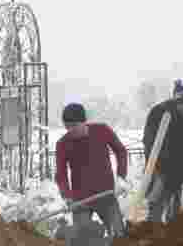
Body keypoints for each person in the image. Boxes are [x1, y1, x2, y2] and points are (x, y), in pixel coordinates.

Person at [54, 101, 129, 238]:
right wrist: (67, 196)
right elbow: (61, 175)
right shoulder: (63, 144)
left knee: (119, 235)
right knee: (83, 239)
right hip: (81, 200)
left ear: (84, 122)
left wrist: (121, 178)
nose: (71, 130)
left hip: (106, 195)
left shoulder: (102, 131)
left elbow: (121, 151)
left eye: (74, 126)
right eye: (67, 127)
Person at [141, 79, 183, 223]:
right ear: (176, 100)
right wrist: (155, 167)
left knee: (174, 209)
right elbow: (149, 141)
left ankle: (172, 230)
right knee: (156, 205)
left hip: (178, 170)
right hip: (159, 169)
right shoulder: (159, 112)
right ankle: (152, 231)